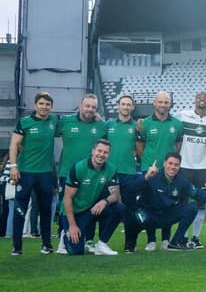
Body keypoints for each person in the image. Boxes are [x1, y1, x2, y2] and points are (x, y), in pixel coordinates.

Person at [129, 152, 206, 250]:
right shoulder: (152, 176)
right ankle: (130, 245)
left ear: (179, 167)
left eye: (176, 165)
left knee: (191, 208)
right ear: (164, 164)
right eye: (170, 163)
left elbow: (198, 193)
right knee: (133, 215)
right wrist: (146, 177)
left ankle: (175, 242)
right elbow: (132, 190)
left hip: (166, 216)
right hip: (149, 215)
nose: (172, 167)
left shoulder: (181, 181)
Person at [55, 93, 108, 253]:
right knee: (66, 205)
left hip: (91, 174)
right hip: (67, 172)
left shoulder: (101, 125)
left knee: (88, 207)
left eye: (93, 107)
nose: (90, 109)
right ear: (80, 106)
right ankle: (63, 239)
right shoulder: (65, 122)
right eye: (87, 106)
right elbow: (46, 132)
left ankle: (88, 240)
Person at [9, 91, 58, 256]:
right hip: (25, 173)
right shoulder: (24, 122)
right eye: (41, 103)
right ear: (35, 105)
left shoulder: (54, 121)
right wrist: (14, 166)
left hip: (45, 174)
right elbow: (14, 144)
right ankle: (17, 246)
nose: (44, 107)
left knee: (45, 210)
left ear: (51, 107)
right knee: (20, 209)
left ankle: (46, 245)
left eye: (47, 104)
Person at [136, 91, 183, 251]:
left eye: (166, 102)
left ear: (170, 104)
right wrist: (149, 163)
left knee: (168, 205)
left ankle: (165, 239)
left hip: (169, 172)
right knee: (150, 205)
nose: (163, 105)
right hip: (150, 171)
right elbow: (140, 147)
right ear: (154, 103)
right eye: (160, 102)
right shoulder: (145, 124)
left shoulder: (177, 124)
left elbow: (177, 147)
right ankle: (151, 239)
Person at [60, 139, 124, 255]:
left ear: (109, 155)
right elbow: (67, 197)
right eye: (99, 151)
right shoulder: (78, 168)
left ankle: (102, 244)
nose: (101, 155)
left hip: (92, 209)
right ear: (93, 151)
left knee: (119, 208)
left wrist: (104, 201)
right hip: (76, 211)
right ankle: (65, 235)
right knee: (76, 251)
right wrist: (73, 225)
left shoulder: (111, 169)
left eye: (105, 152)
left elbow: (116, 195)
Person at [176, 91, 206, 249]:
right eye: (199, 98)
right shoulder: (183, 115)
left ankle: (196, 237)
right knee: (185, 203)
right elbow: (165, 117)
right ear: (194, 100)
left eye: (205, 98)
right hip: (185, 166)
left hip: (204, 167)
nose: (202, 100)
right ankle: (184, 236)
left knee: (201, 204)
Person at [107, 94, 146, 253]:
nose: (125, 107)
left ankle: (130, 244)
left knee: (130, 210)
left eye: (129, 104)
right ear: (118, 105)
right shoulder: (107, 125)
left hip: (129, 173)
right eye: (123, 104)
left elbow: (140, 151)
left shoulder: (136, 126)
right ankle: (101, 242)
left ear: (132, 107)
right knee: (107, 209)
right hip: (109, 174)